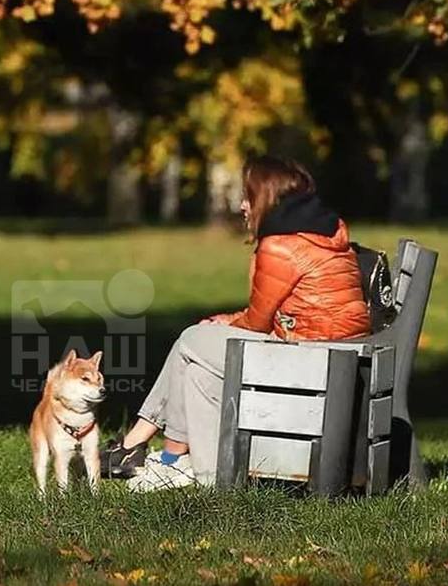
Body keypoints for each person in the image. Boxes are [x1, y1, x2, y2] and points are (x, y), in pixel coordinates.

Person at [100, 155, 370, 490]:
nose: (242, 205)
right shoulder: (320, 229)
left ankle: (140, 445)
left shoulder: (280, 245)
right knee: (198, 365)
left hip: (310, 357)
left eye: (248, 196)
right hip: (327, 349)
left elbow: (257, 322)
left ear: (265, 197)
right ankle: (187, 466)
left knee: (190, 340)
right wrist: (225, 321)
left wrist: (225, 320)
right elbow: (268, 312)